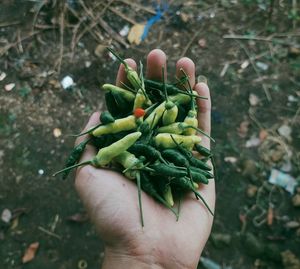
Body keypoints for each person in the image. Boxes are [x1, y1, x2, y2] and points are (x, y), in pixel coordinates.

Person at [74, 49, 215, 269]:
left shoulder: (157, 128)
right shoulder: (146, 127)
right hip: (146, 143)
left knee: (155, 143)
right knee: (148, 141)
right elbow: (137, 137)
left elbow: (145, 136)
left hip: (151, 141)